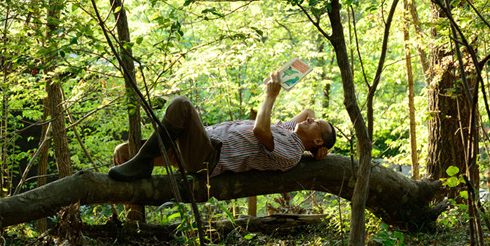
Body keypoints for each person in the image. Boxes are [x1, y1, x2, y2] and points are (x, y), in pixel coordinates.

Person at [108, 71, 336, 182]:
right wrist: (320, 147)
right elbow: (308, 112)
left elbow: (260, 132)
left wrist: (270, 96)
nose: (310, 119)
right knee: (126, 151)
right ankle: (141, 160)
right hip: (198, 143)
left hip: (208, 157)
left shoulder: (292, 152)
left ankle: (143, 162)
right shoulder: (288, 130)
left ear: (316, 140)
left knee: (182, 105)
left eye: (316, 124)